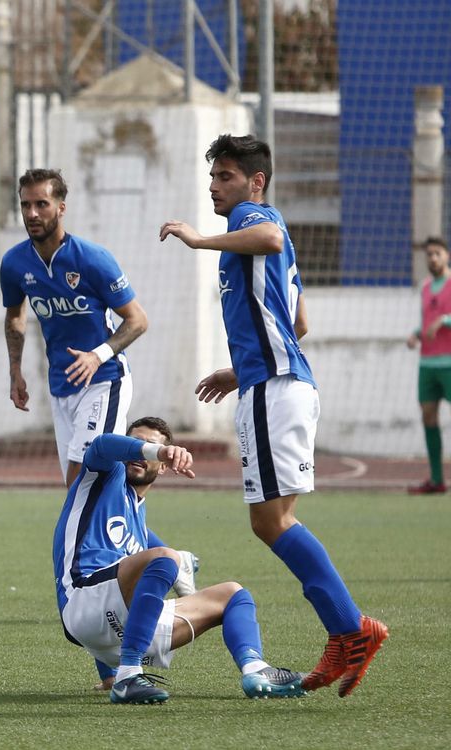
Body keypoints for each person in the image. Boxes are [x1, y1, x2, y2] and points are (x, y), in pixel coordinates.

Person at [160, 133, 388, 697]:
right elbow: (299, 322)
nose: (216, 186)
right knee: (274, 519)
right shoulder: (257, 233)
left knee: (270, 522)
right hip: (277, 383)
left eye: (226, 176)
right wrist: (237, 370)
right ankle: (346, 632)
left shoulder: (255, 219)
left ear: (255, 181)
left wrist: (199, 240)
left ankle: (350, 630)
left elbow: (266, 234)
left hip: (275, 390)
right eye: (213, 177)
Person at [55, 418, 307, 704]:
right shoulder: (103, 476)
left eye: (152, 446)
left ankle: (255, 670)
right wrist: (157, 450)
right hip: (80, 604)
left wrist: (106, 671)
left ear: (163, 470)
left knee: (234, 595)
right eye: (139, 444)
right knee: (165, 558)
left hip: (117, 634)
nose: (141, 452)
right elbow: (102, 444)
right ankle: (128, 675)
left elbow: (138, 586)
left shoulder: (140, 519)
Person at [2, 168, 150, 487]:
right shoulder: (14, 264)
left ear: (61, 208)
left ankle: (121, 536)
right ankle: (132, 536)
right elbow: (15, 316)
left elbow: (138, 320)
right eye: (25, 205)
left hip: (104, 381)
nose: (32, 213)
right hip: (61, 388)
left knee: (82, 481)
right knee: (85, 487)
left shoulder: (92, 259)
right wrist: (15, 369)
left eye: (41, 204)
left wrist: (97, 355)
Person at [406, 236, 451, 494]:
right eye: (429, 254)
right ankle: (436, 479)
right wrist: (416, 333)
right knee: (428, 416)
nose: (432, 258)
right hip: (428, 364)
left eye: (437, 253)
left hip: (449, 363)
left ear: (447, 256)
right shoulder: (425, 287)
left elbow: (440, 320)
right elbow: (427, 323)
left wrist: (445, 320)